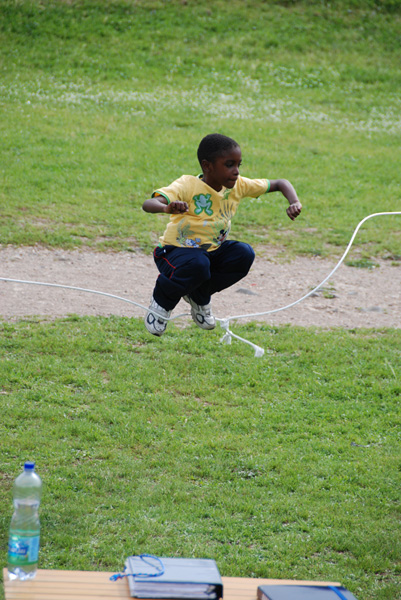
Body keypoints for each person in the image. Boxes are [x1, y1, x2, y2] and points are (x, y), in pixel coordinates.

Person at [142, 133, 302, 336]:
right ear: (207, 166)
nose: (236, 172)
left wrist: (294, 202)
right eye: (229, 165)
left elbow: (281, 183)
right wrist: (167, 208)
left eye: (238, 165)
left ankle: (199, 295)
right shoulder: (188, 185)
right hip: (173, 253)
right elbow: (148, 204)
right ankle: (161, 302)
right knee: (198, 264)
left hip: (209, 253)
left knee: (244, 254)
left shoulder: (238, 185)